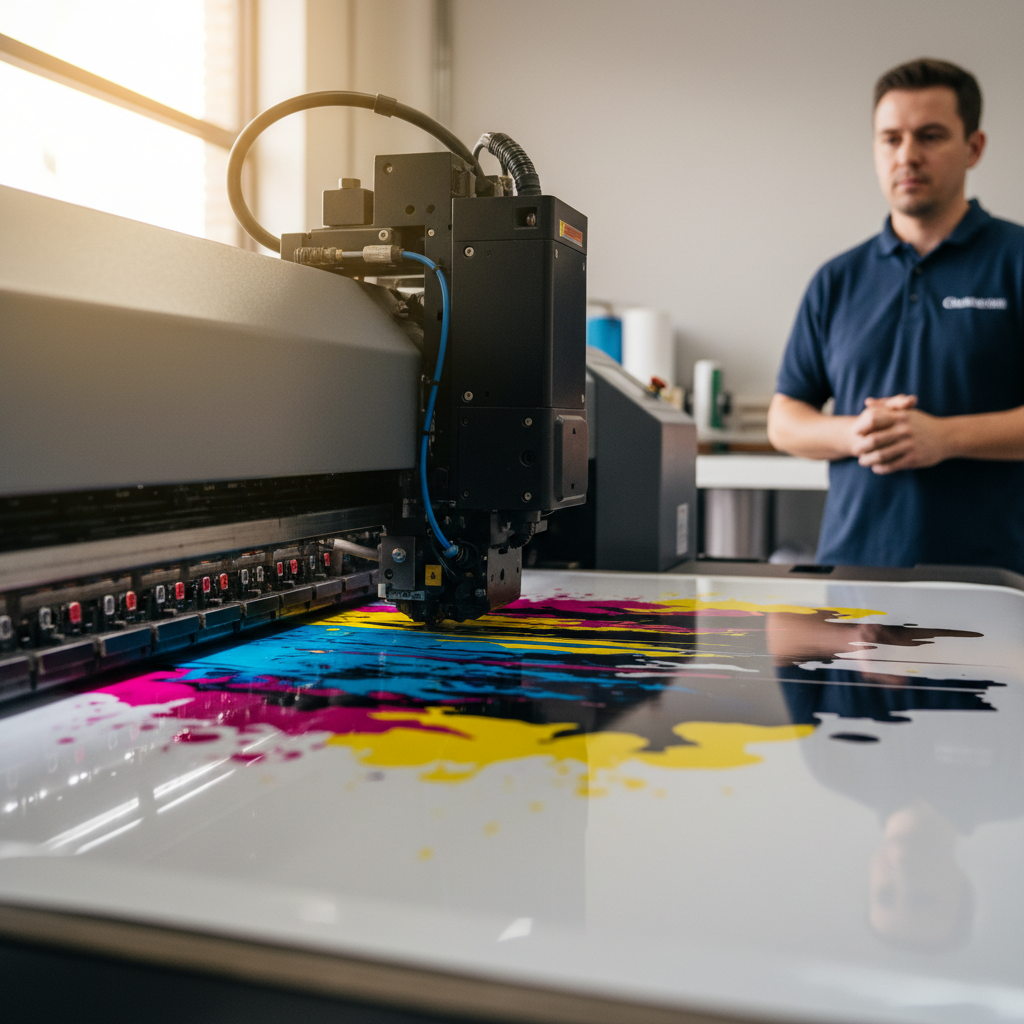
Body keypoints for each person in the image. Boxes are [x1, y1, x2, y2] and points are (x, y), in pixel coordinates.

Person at [767, 59, 1024, 572]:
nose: (907, 155)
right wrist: (854, 433)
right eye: (891, 139)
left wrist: (943, 438)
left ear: (974, 147)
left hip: (992, 579)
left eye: (930, 136)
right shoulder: (837, 278)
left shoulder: (1015, 261)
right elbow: (784, 419)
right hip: (852, 577)